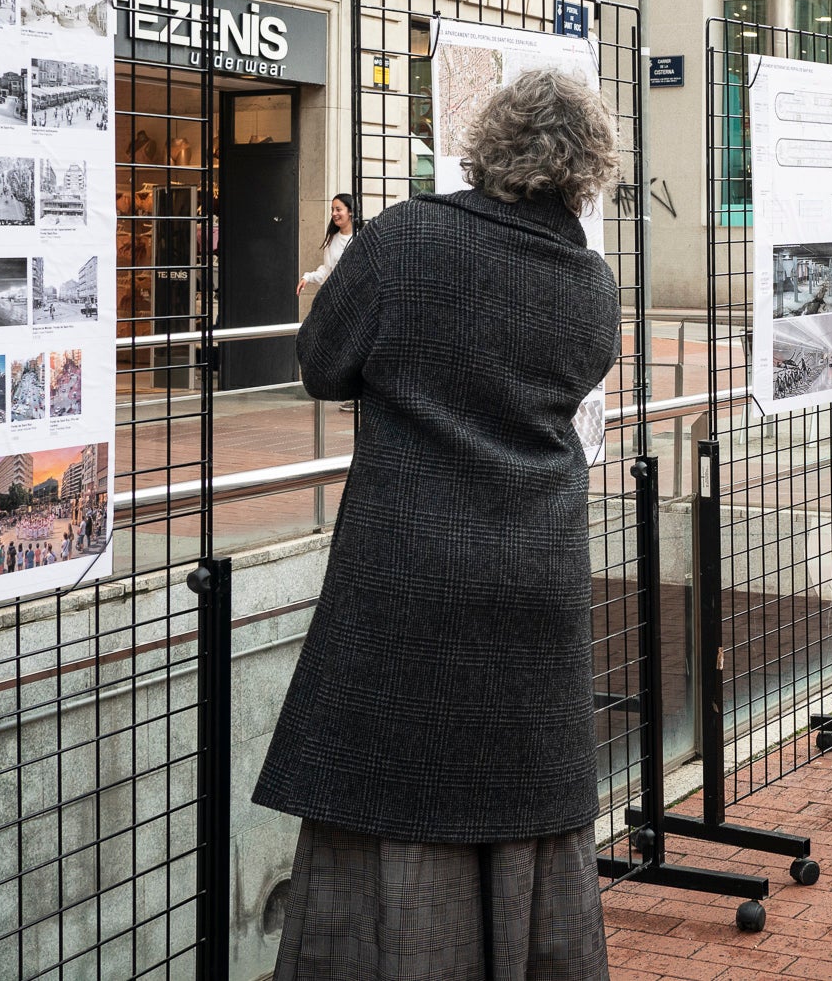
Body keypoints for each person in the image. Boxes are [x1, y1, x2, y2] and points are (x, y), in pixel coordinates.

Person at [254, 67, 621, 980]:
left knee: (393, 795)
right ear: (586, 172)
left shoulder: (407, 237)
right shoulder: (591, 283)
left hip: (405, 567)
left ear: (486, 145)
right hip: (536, 570)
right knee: (520, 800)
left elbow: (322, 365)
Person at [296, 193, 357, 294]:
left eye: (338, 209)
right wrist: (307, 278)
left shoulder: (361, 237)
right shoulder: (332, 240)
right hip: (338, 296)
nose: (334, 213)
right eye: (332, 210)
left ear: (350, 211)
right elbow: (327, 271)